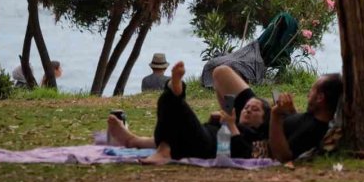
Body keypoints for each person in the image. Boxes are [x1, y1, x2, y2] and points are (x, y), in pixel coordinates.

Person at [107, 61, 271, 165]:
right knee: (171, 111)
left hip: (206, 145)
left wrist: (230, 125)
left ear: (263, 121)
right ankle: (134, 140)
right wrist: (221, 120)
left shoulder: (255, 136)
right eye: (247, 107)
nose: (248, 109)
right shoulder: (235, 121)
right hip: (202, 135)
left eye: (255, 109)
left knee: (178, 108)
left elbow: (242, 153)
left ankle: (176, 90)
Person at [213, 64, 342, 162]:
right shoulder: (315, 117)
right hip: (262, 115)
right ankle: (231, 120)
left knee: (222, 74)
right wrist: (291, 111)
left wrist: (275, 115)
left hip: (258, 126)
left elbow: (282, 155)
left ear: (320, 98)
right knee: (221, 73)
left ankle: (231, 126)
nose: (308, 94)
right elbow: (294, 126)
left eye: (312, 91)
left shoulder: (314, 129)